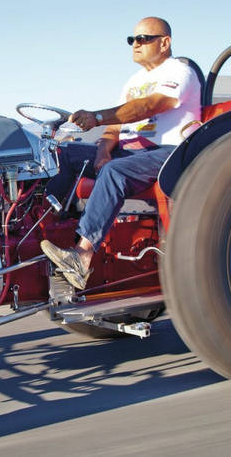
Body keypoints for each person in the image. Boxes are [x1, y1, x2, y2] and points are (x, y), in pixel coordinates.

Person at [41, 16, 202, 290]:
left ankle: (82, 257)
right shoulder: (134, 80)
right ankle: (45, 233)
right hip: (129, 152)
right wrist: (103, 150)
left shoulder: (180, 72)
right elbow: (115, 126)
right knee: (59, 153)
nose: (135, 44)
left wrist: (97, 116)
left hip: (169, 154)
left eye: (143, 38)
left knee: (115, 172)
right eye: (132, 39)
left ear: (165, 42)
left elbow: (150, 106)